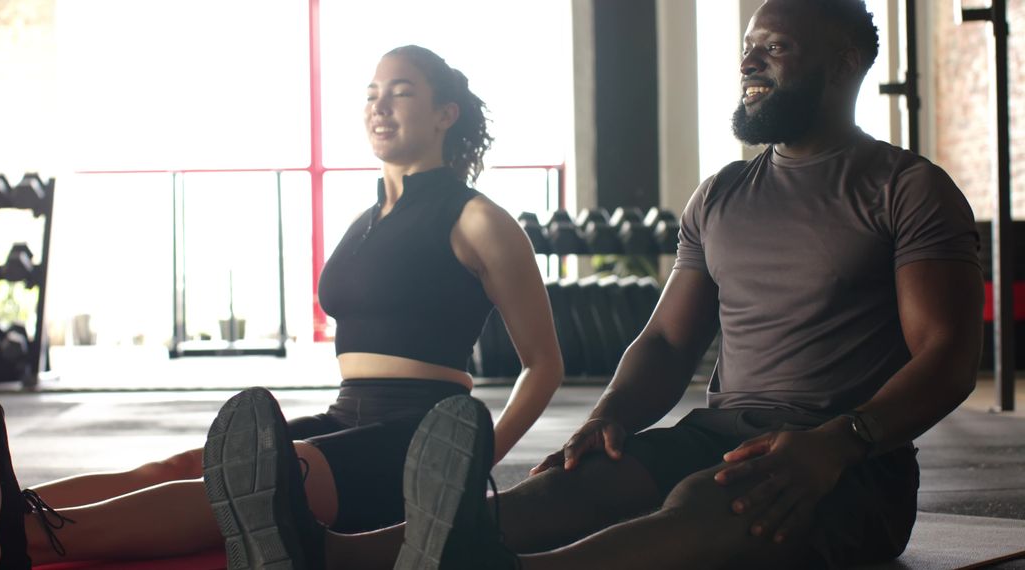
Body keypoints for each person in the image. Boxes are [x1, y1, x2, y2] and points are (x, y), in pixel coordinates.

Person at [225, 1, 983, 568]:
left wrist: (838, 443)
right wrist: (608, 418)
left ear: (848, 58)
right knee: (573, 485)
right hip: (722, 438)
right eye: (747, 49)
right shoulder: (721, 195)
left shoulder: (905, 188)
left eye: (775, 48)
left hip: (850, 471)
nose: (750, 63)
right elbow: (664, 340)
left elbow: (947, 354)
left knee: (704, 503)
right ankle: (336, 556)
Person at [0, 44, 563, 570]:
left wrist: (471, 461)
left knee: (241, 486)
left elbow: (543, 364)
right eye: (372, 92)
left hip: (416, 435)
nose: (379, 105)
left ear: (444, 115)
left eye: (400, 93)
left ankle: (17, 540)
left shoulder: (478, 218)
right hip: (344, 416)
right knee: (186, 463)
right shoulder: (368, 220)